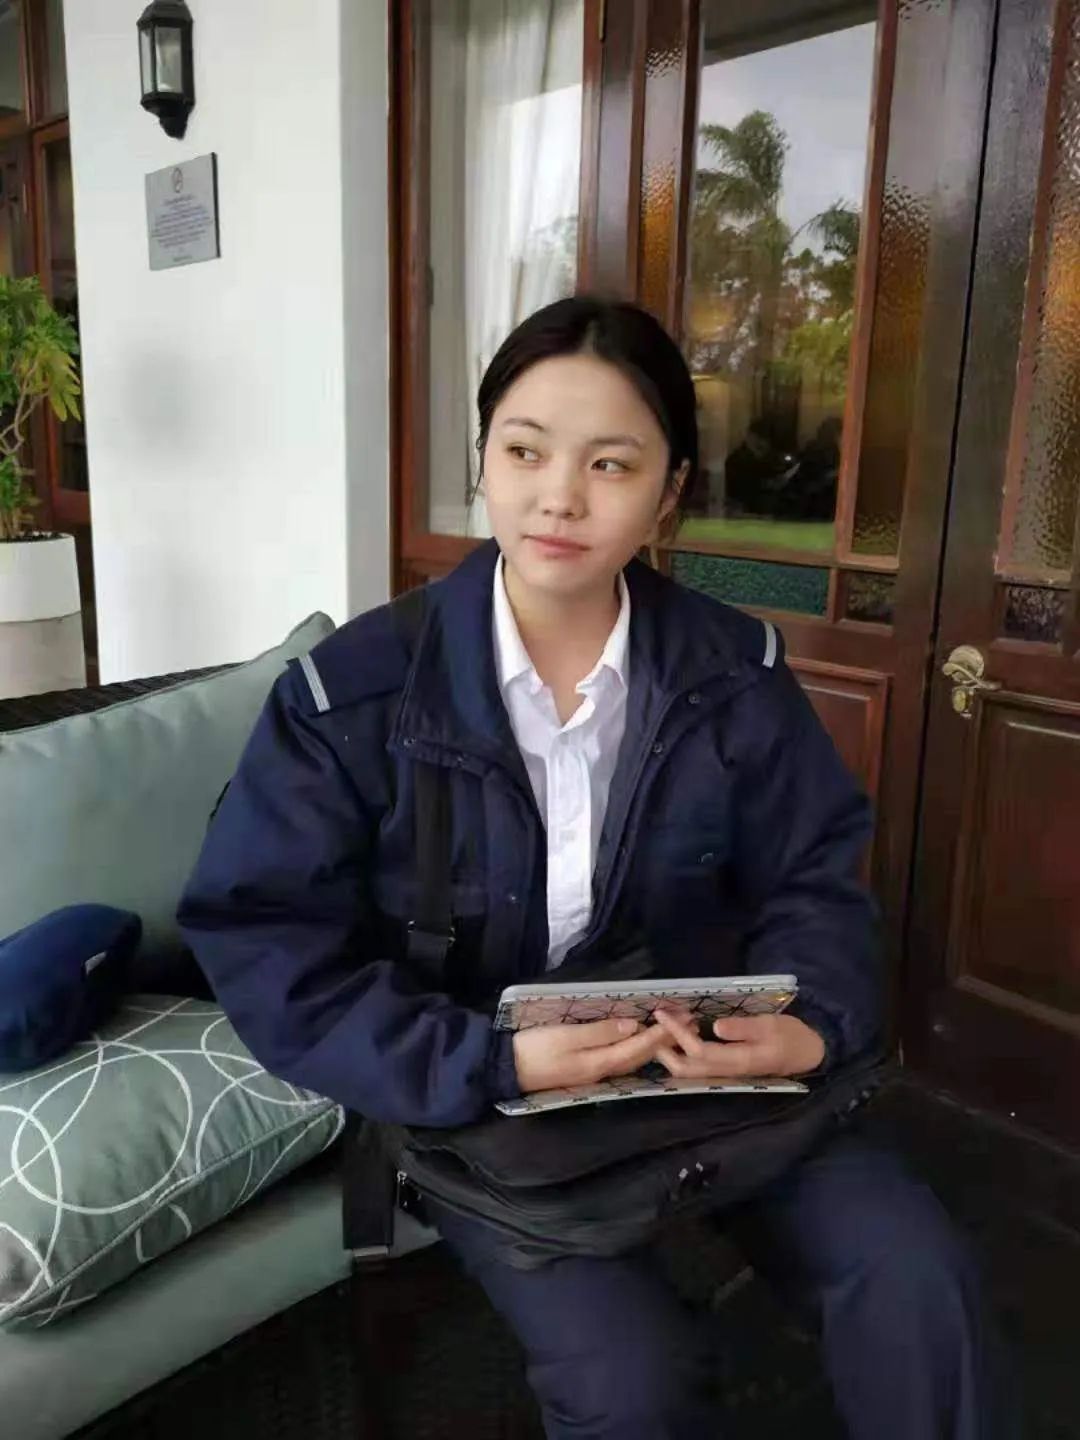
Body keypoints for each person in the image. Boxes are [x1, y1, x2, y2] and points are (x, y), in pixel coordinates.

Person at [179, 297, 999, 1440]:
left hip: (709, 1073)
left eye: (610, 464)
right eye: (525, 452)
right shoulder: (350, 698)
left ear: (669, 492)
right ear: (483, 460)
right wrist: (493, 1059)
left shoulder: (734, 674)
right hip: (485, 1101)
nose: (560, 496)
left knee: (917, 1279)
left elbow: (814, 877)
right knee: (632, 1385)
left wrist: (811, 1022)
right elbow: (268, 943)